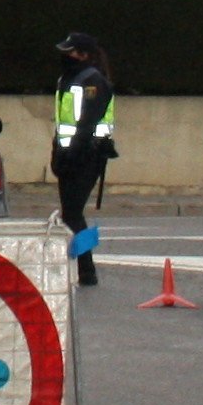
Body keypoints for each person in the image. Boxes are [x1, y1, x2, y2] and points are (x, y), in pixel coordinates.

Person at [50, 31, 119, 288]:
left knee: (73, 213)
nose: (65, 55)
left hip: (86, 155)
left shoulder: (92, 82)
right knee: (72, 214)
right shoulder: (71, 78)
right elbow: (64, 123)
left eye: (70, 51)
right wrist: (58, 151)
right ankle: (85, 269)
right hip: (71, 154)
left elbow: (87, 123)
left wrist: (70, 153)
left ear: (84, 54)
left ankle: (87, 270)